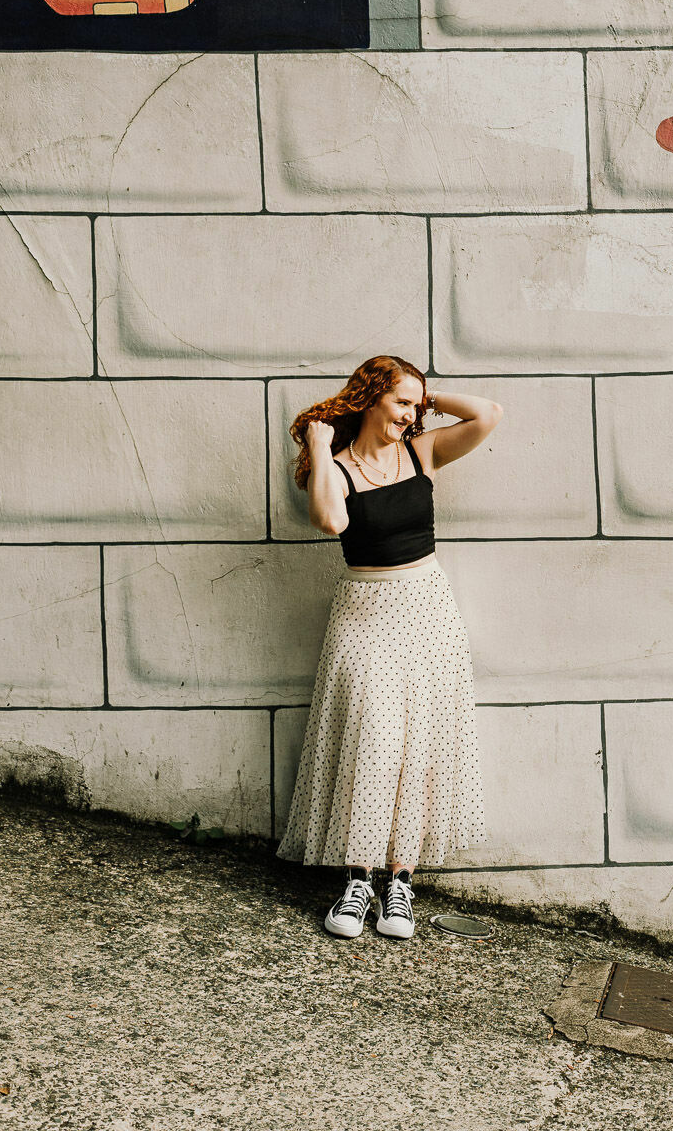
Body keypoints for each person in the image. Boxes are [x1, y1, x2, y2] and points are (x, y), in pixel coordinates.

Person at [276, 355, 502, 940]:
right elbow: (329, 520)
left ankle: (399, 885)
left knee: (417, 745)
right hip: (364, 615)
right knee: (372, 739)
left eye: (414, 404)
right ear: (369, 398)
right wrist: (323, 447)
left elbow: (488, 414)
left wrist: (425, 399)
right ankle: (357, 882)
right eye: (399, 401)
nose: (410, 413)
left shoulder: (419, 451)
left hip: (428, 609)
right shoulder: (340, 467)